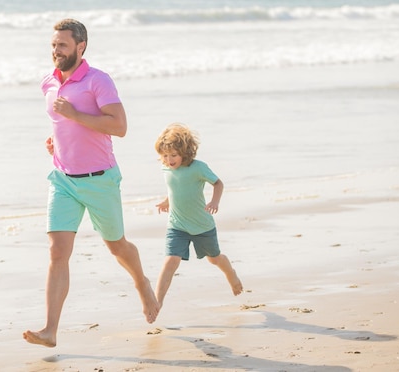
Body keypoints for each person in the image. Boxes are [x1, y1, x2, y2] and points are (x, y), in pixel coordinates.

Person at [22, 18, 159, 348]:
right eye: (54, 45)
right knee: (58, 252)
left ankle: (141, 281)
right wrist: (56, 140)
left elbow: (120, 126)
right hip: (63, 179)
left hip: (100, 180)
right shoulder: (49, 83)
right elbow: (61, 123)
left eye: (63, 45)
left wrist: (74, 116)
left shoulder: (98, 81)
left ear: (80, 47)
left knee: (117, 246)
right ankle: (50, 329)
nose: (56, 50)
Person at [153, 123, 243, 311]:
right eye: (165, 155)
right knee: (171, 261)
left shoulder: (198, 168)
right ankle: (156, 302)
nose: (169, 160)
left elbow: (218, 184)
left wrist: (215, 202)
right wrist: (166, 202)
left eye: (173, 155)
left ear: (184, 152)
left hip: (202, 226)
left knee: (214, 258)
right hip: (177, 226)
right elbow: (175, 189)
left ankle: (231, 274)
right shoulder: (166, 169)